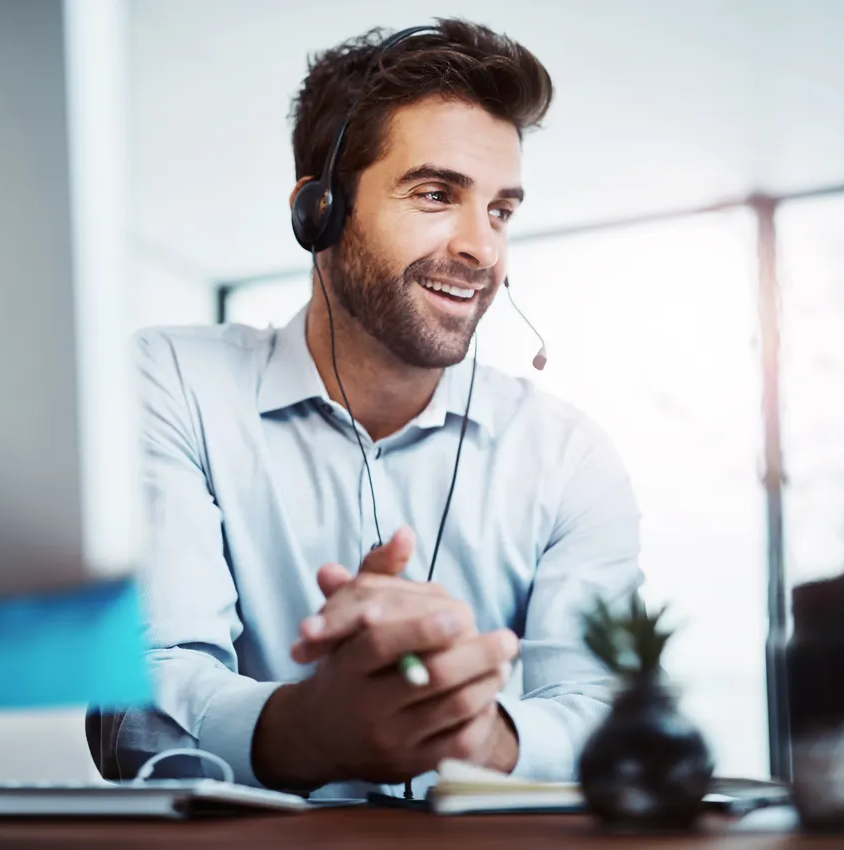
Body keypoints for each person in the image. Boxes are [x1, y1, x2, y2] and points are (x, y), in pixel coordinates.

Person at [94, 19, 642, 799]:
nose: (483, 249)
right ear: (317, 211)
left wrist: (485, 737)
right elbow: (130, 706)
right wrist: (312, 729)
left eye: (500, 210)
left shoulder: (568, 457)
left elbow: (609, 712)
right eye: (435, 194)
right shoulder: (171, 383)